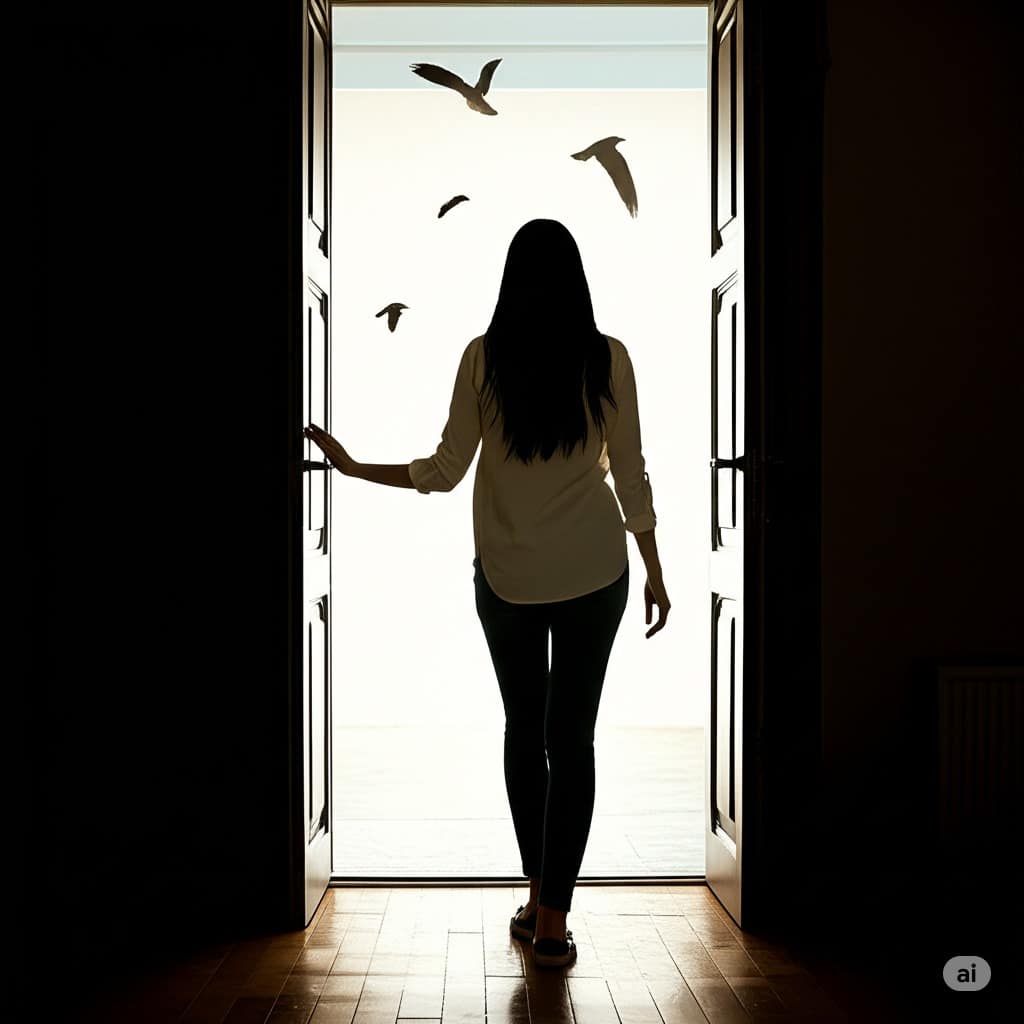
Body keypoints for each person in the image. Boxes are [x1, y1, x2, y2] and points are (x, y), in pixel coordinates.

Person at [305, 218, 670, 970]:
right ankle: (553, 920)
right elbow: (631, 474)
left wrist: (356, 468)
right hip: (597, 573)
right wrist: (655, 568)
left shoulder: (484, 359)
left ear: (511, 284)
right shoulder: (608, 358)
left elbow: (444, 471)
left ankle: (538, 895)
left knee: (525, 732)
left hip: (508, 579)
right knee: (573, 741)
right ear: (577, 282)